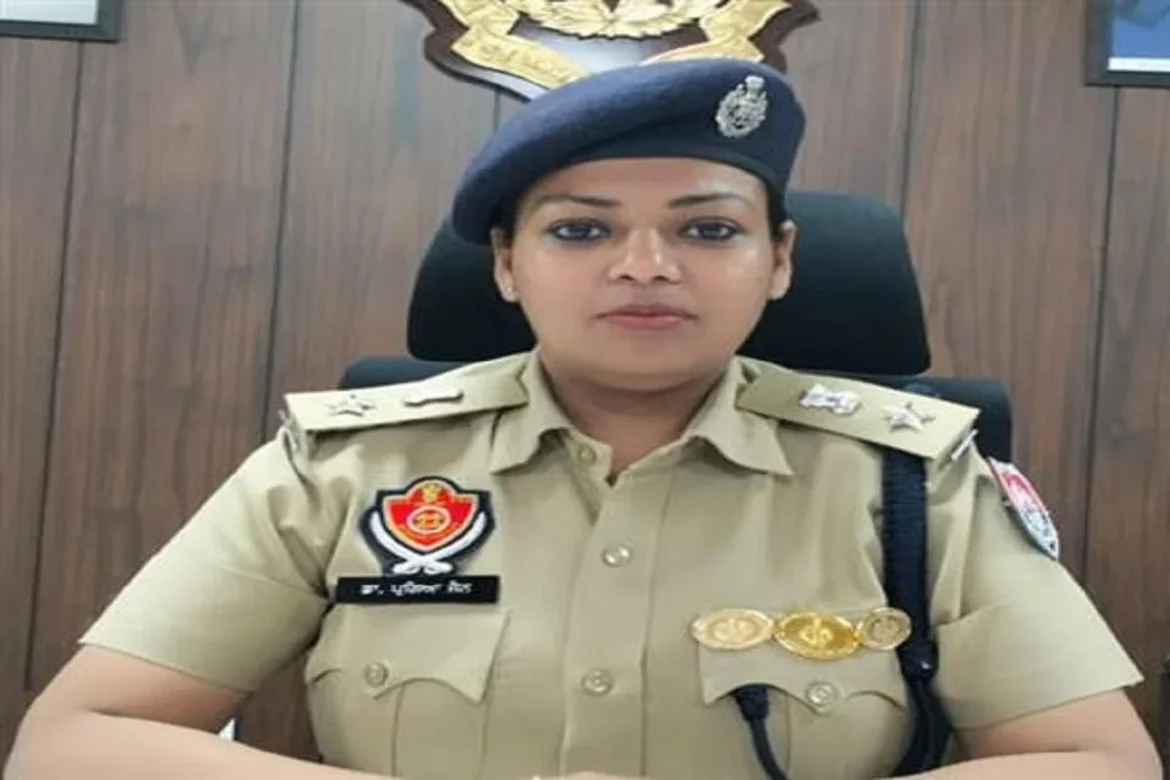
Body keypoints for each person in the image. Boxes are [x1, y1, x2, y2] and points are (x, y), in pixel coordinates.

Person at [4, 59, 1162, 780]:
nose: (645, 265)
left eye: (707, 229)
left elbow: (1096, 760)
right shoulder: (347, 465)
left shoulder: (913, 476)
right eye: (580, 229)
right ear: (506, 265)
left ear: (779, 261)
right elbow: (74, 745)